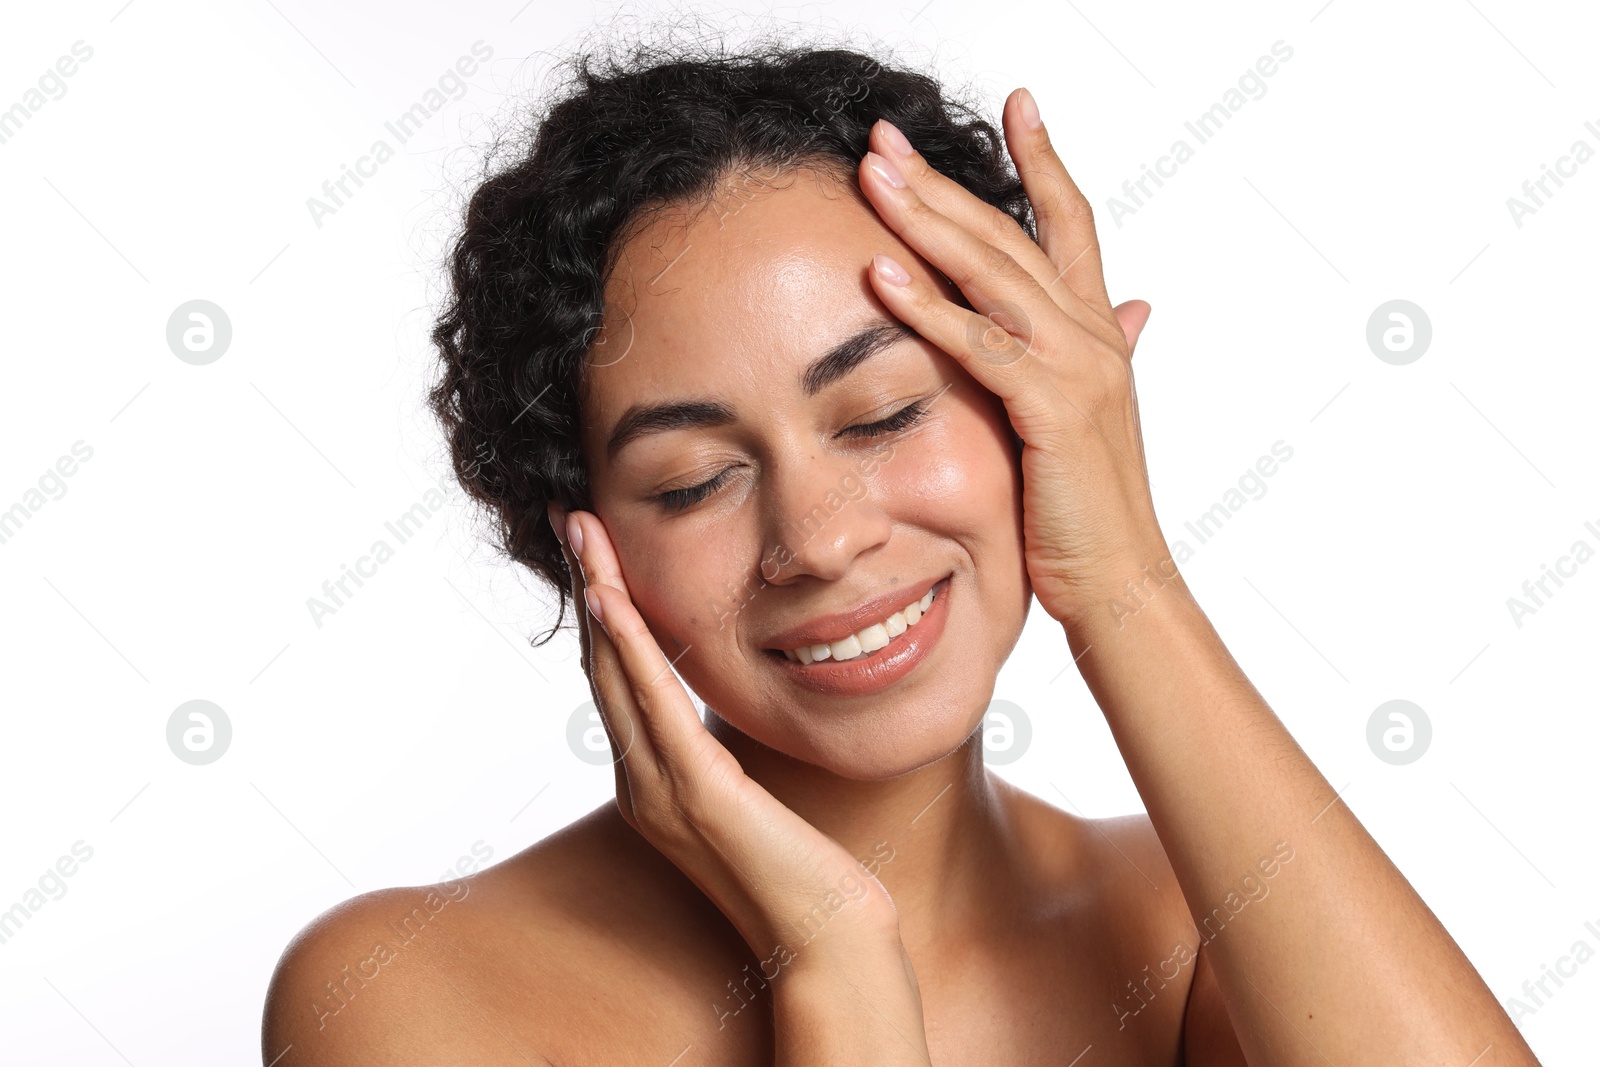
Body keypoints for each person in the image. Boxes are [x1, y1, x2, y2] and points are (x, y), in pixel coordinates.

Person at [261, 34, 1541, 1066]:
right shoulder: (408, 997)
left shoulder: (1195, 926)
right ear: (580, 544)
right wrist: (838, 962)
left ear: (1024, 398)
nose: (817, 540)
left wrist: (1125, 581)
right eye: (695, 479)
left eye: (881, 414)